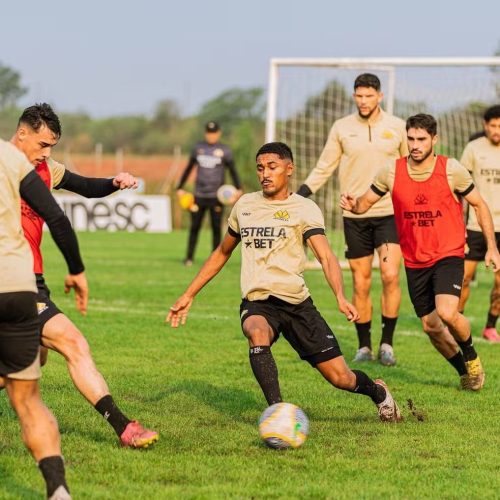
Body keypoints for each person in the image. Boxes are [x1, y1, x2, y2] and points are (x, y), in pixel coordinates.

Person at [167, 142, 402, 424]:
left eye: (272, 167)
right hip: (258, 302)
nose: (264, 174)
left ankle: (378, 392)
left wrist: (339, 296)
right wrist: (188, 294)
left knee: (341, 378)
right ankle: (277, 412)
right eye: (260, 168)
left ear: (289, 170)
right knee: (256, 332)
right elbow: (222, 252)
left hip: (297, 304)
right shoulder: (245, 206)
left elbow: (326, 256)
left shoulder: (304, 208)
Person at [0, 103, 158, 448]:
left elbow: (83, 185)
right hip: (11, 278)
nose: (47, 154)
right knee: (73, 343)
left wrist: (113, 183)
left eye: (52, 146)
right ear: (22, 132)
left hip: (32, 280)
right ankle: (124, 427)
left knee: (29, 360)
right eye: (43, 145)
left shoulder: (45, 169)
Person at [340, 113, 500, 391]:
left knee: (447, 312)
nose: (415, 145)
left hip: (448, 252)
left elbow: (479, 205)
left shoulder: (452, 169)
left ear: (434, 140)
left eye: (421, 139)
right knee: (431, 326)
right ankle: (465, 372)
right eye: (411, 139)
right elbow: (364, 204)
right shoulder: (391, 171)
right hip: (414, 260)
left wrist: (492, 248)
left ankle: (472, 356)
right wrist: (353, 205)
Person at [297, 73, 408, 366]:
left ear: (379, 97)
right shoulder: (342, 128)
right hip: (354, 216)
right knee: (360, 282)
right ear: (354, 96)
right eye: (359, 96)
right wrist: (300, 194)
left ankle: (387, 343)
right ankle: (364, 346)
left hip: (388, 213)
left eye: (369, 96)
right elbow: (325, 166)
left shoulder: (396, 127)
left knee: (390, 275)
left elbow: (410, 168)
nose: (363, 101)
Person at [0, 136, 85, 499]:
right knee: (28, 399)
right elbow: (56, 216)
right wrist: (77, 270)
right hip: (18, 284)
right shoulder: (9, 156)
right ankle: (58, 490)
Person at [458, 105, 500, 342]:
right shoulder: (473, 149)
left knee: (499, 284)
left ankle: (490, 326)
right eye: (493, 126)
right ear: (485, 125)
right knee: (464, 278)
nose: (496, 130)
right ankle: (458, 323)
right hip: (476, 225)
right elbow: (460, 186)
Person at [176, 121, 242, 266]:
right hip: (199, 195)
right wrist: (179, 187)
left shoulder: (225, 151)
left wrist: (238, 188)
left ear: (218, 133)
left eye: (213, 133)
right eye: (208, 133)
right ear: (206, 133)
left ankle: (215, 260)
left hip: (216, 197)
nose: (211, 135)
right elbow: (188, 168)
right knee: (194, 227)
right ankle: (189, 258)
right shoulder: (198, 148)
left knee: (216, 229)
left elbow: (233, 170)